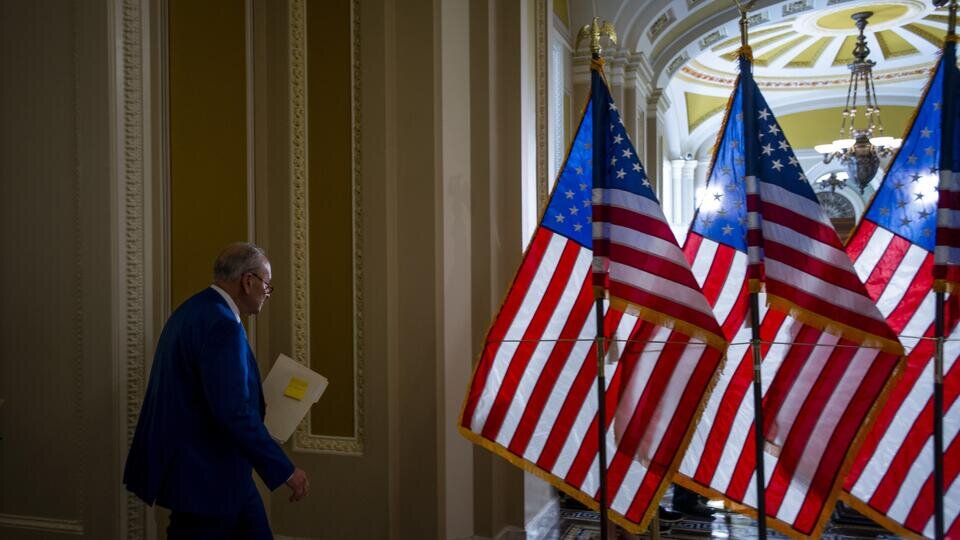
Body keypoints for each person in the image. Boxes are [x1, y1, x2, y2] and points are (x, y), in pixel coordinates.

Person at [123, 242, 309, 539]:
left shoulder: (192, 311)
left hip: (216, 473)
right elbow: (233, 412)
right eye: (267, 285)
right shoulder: (224, 326)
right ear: (248, 281)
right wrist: (285, 470)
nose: (267, 293)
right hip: (208, 478)